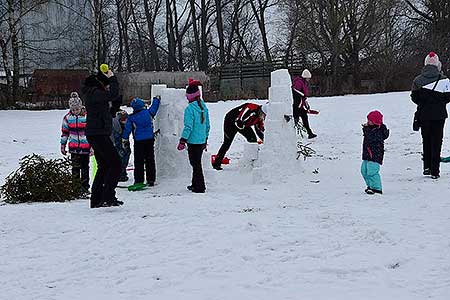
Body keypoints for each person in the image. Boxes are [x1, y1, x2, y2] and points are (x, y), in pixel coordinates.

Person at [82, 68, 122, 208]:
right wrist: (112, 78)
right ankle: (107, 196)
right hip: (98, 133)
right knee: (116, 163)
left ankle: (97, 199)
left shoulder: (93, 93)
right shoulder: (95, 93)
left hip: (96, 132)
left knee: (104, 165)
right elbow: (113, 94)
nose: (107, 88)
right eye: (106, 85)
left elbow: (113, 99)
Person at [411, 52, 450, 179]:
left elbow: (414, 97)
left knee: (426, 140)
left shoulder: (417, 80)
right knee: (437, 141)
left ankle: (426, 167)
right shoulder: (444, 80)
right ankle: (435, 171)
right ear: (438, 64)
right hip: (439, 115)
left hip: (424, 115)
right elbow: (448, 97)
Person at [212, 102, 267, 170]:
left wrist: (266, 141)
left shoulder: (259, 117)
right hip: (230, 121)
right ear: (261, 111)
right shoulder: (251, 109)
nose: (264, 117)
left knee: (253, 140)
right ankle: (217, 163)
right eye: (264, 115)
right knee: (227, 143)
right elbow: (239, 122)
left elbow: (259, 130)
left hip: (242, 124)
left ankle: (252, 160)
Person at [177, 79, 210, 193]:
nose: (186, 98)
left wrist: (182, 140)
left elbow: (188, 127)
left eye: (187, 96)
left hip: (193, 141)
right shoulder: (203, 107)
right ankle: (195, 184)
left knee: (195, 164)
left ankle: (200, 187)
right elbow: (207, 126)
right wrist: (205, 139)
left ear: (190, 96)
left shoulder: (189, 109)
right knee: (196, 163)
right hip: (201, 141)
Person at [122, 96, 160, 188]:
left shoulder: (131, 118)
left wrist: (125, 139)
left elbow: (127, 130)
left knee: (138, 161)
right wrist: (156, 99)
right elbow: (154, 107)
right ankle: (151, 179)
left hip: (138, 141)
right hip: (149, 140)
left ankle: (139, 180)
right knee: (150, 160)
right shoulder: (148, 113)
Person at [60, 92, 91, 193]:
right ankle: (76, 186)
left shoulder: (87, 117)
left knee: (85, 167)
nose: (75, 111)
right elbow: (65, 133)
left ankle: (85, 186)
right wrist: (63, 145)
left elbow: (92, 133)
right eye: (73, 109)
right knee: (75, 167)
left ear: (81, 107)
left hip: (85, 147)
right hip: (74, 148)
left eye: (77, 109)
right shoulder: (67, 118)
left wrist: (92, 147)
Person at [361, 110, 389, 195]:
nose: (368, 122)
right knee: (364, 170)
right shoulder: (370, 129)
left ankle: (377, 188)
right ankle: (370, 186)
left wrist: (366, 129)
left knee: (372, 171)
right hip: (367, 154)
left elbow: (371, 138)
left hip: (375, 155)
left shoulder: (378, 131)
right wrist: (366, 128)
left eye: (370, 120)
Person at [292, 69, 317, 139]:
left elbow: (303, 95)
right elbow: (295, 91)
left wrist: (305, 103)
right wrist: (301, 99)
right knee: (295, 121)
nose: (309, 79)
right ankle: (289, 134)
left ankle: (310, 133)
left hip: (300, 105)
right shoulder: (299, 82)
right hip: (296, 105)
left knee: (305, 118)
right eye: (308, 78)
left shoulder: (304, 82)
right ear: (305, 77)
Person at [112, 110, 131, 182]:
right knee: (120, 157)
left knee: (127, 154)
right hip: (118, 144)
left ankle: (122, 172)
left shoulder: (127, 124)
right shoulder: (116, 125)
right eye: (123, 120)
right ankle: (120, 174)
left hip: (125, 143)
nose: (125, 121)